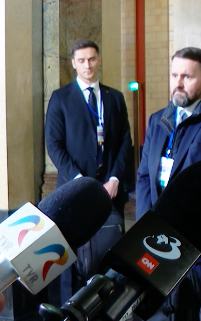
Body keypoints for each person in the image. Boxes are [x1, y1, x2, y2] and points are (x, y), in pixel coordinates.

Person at [136, 47, 201, 321]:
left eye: (187, 77)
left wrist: (174, 240)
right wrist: (146, 230)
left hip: (193, 252)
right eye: (174, 75)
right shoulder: (157, 120)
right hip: (154, 240)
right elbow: (144, 177)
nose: (178, 83)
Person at [45, 39, 132, 304]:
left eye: (92, 59)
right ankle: (69, 311)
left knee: (108, 255)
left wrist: (115, 178)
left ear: (99, 60)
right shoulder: (61, 98)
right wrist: (79, 182)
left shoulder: (114, 97)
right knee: (70, 258)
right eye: (81, 60)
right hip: (73, 191)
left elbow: (125, 141)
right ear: (73, 63)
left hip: (110, 191)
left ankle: (106, 306)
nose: (88, 65)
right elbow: (54, 145)